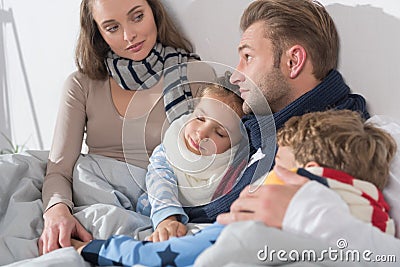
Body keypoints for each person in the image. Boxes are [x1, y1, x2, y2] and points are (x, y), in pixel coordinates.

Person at [70, 109, 396, 266]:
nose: (268, 178)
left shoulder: (262, 220)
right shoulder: (380, 225)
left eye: (278, 168)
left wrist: (90, 250)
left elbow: (158, 258)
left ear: (308, 175)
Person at [39, 0, 214, 255]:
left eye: (137, 16)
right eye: (112, 27)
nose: (128, 35)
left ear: (154, 12)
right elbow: (59, 170)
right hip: (95, 200)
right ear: (97, 33)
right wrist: (56, 211)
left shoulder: (196, 75)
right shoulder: (82, 84)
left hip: (163, 205)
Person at [183, 0, 370, 223]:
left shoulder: (325, 145)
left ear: (293, 61)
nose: (235, 76)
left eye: (248, 57)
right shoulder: (258, 129)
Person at [136, 80, 245, 242]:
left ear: (235, 144)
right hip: (154, 215)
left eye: (220, 133)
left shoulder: (234, 169)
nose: (201, 133)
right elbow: (160, 181)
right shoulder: (170, 147)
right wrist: (167, 219)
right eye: (200, 118)